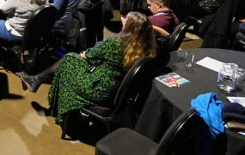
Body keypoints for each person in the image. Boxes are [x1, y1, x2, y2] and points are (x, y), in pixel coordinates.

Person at [19, 12, 156, 120]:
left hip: (97, 90)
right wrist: (144, 26)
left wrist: (85, 54)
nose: (123, 19)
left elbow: (87, 55)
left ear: (129, 27)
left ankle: (43, 90)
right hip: (116, 92)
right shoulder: (147, 49)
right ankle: (36, 80)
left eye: (126, 20)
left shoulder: (114, 44)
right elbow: (161, 34)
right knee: (71, 59)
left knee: (69, 59)